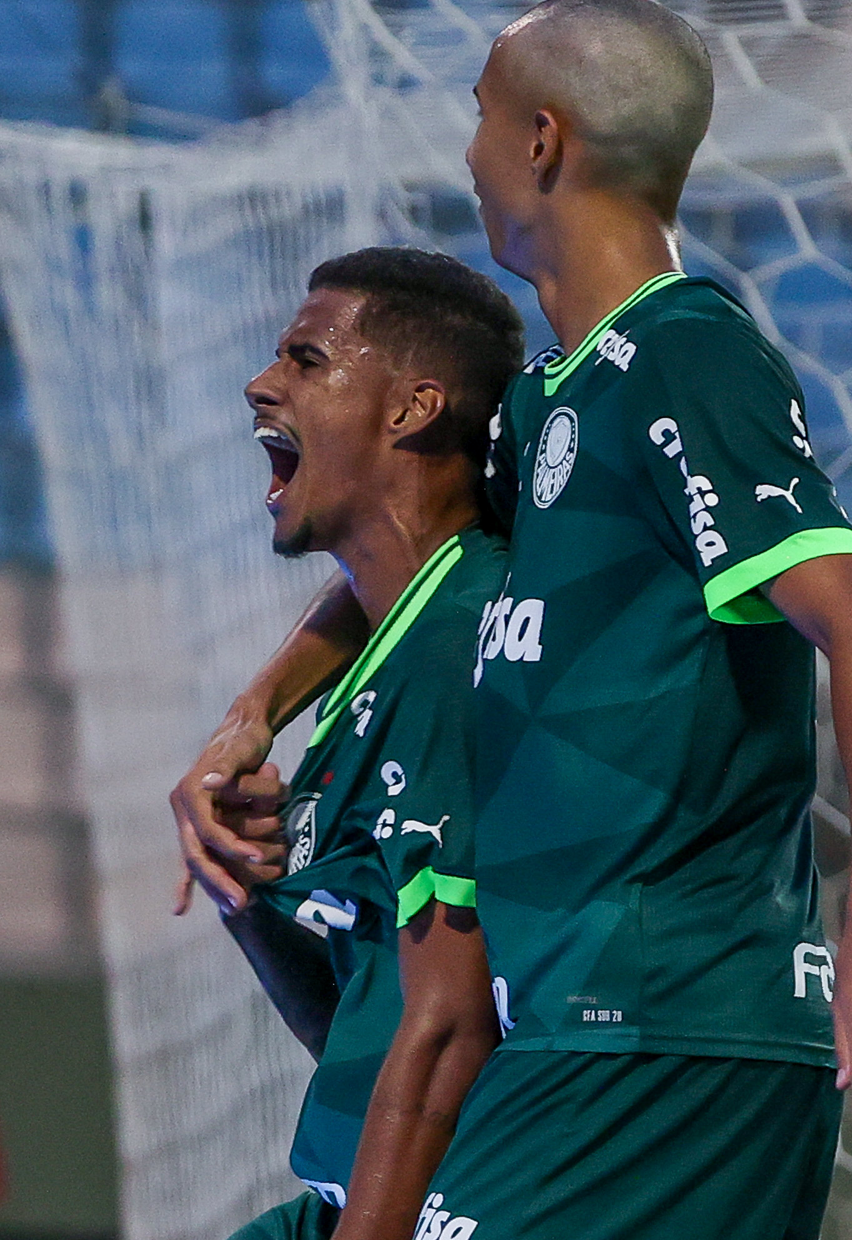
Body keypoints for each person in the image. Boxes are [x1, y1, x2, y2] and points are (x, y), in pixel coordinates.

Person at [173, 0, 852, 1240]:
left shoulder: (683, 353)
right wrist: (253, 711)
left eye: (480, 117)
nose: (467, 152)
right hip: (572, 1032)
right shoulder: (548, 401)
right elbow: (397, 568)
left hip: (669, 1021)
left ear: (541, 140)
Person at [176, 246, 521, 1239]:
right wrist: (242, 886)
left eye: (306, 358)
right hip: (344, 1198)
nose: (260, 382)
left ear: (412, 408)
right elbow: (357, 1033)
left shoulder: (465, 641)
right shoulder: (389, 643)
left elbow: (454, 1028)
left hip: (449, 1209)